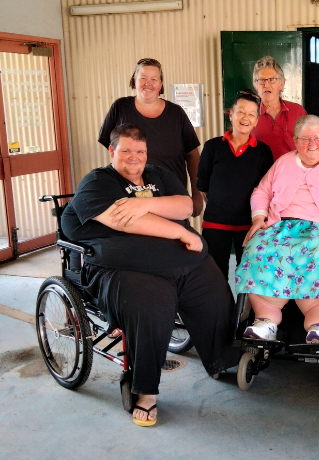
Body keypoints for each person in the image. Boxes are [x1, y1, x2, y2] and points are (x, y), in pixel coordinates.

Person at [62, 124, 238, 427]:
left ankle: (221, 358)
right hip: (122, 268)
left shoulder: (158, 175)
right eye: (126, 150)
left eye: (140, 151)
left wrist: (141, 204)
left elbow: (186, 205)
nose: (134, 157)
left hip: (179, 261)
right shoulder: (97, 181)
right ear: (111, 151)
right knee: (151, 305)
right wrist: (178, 232)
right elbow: (123, 223)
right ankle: (145, 391)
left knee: (215, 290)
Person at [235, 115, 319, 344]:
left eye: (317, 138)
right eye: (305, 139)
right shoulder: (284, 162)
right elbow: (262, 191)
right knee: (258, 249)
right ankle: (266, 320)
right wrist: (259, 217)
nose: (312, 144)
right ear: (295, 140)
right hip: (282, 226)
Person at [98, 58, 204, 216]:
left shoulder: (176, 113)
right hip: (130, 198)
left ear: (161, 84)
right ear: (134, 80)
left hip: (171, 197)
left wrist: (197, 196)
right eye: (143, 78)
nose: (148, 84)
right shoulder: (120, 107)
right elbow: (113, 151)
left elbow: (193, 156)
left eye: (154, 79)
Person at [197, 90, 274, 279]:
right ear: (231, 114)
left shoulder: (263, 152)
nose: (245, 118)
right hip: (215, 224)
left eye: (251, 114)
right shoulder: (212, 147)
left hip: (249, 226)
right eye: (240, 112)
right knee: (215, 276)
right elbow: (203, 185)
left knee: (249, 276)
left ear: (256, 120)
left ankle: (244, 310)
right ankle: (221, 310)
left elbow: (267, 191)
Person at [250, 56, 307, 160]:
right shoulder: (249, 114)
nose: (266, 85)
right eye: (261, 80)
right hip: (260, 174)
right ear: (255, 85)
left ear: (281, 84)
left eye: (272, 80)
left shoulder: (298, 112)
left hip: (291, 173)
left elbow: (309, 147)